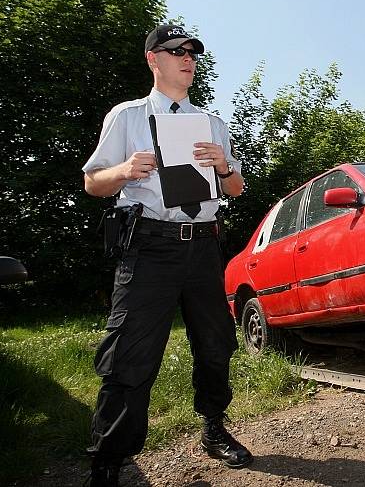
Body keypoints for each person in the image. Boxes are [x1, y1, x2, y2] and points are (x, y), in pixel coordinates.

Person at [82, 24, 251, 486]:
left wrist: (224, 166)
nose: (188, 58)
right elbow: (93, 182)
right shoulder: (129, 116)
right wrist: (123, 169)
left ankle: (214, 429)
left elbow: (235, 189)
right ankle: (109, 460)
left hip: (201, 246)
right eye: (176, 51)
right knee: (130, 355)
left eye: (193, 52)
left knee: (216, 346)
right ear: (153, 59)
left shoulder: (212, 123)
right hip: (149, 248)